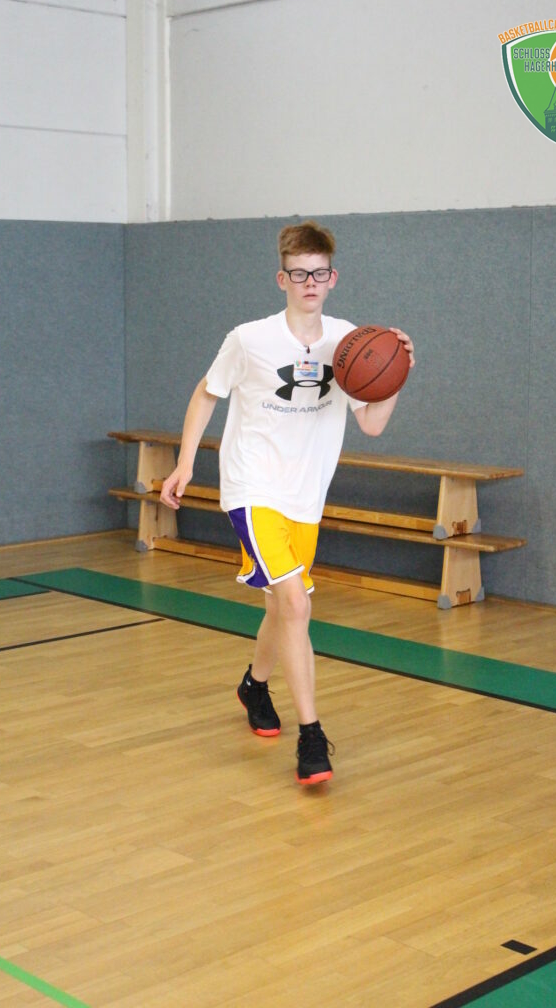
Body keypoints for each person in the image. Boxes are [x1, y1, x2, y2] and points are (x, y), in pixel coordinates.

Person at [160, 220, 414, 785]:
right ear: (282, 279)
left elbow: (372, 424)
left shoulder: (349, 343)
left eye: (319, 274)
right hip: (251, 487)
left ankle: (255, 685)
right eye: (298, 274)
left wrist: (397, 371)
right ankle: (312, 737)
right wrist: (185, 463)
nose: (309, 283)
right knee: (296, 605)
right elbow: (206, 393)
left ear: (333, 278)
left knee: (280, 608)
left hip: (305, 497)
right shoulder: (249, 338)